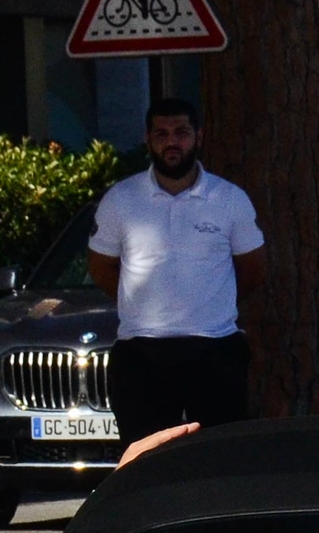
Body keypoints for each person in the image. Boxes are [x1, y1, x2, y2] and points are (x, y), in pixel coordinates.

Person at [87, 97, 266, 446]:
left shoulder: (229, 199)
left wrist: (207, 303)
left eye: (181, 132)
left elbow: (253, 269)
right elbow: (102, 268)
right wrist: (143, 302)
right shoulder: (121, 200)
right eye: (162, 133)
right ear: (147, 139)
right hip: (141, 355)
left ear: (198, 137)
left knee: (222, 458)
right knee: (144, 466)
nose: (172, 142)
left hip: (215, 352)